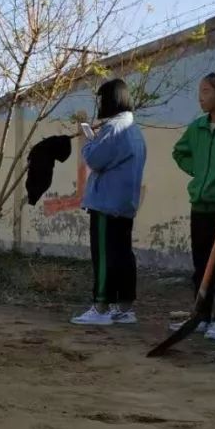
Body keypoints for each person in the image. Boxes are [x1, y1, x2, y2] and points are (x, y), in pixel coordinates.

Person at [171, 72, 215, 342]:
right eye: (200, 91)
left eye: (206, 91)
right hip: (200, 205)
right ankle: (201, 315)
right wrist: (200, 173)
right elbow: (179, 152)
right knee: (201, 264)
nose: (201, 97)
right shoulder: (198, 127)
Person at [71, 79, 147, 326]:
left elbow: (93, 158)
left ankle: (101, 306)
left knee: (104, 255)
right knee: (123, 255)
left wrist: (86, 135)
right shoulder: (134, 129)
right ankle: (124, 307)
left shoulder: (114, 128)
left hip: (106, 203)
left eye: (101, 99)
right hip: (125, 203)